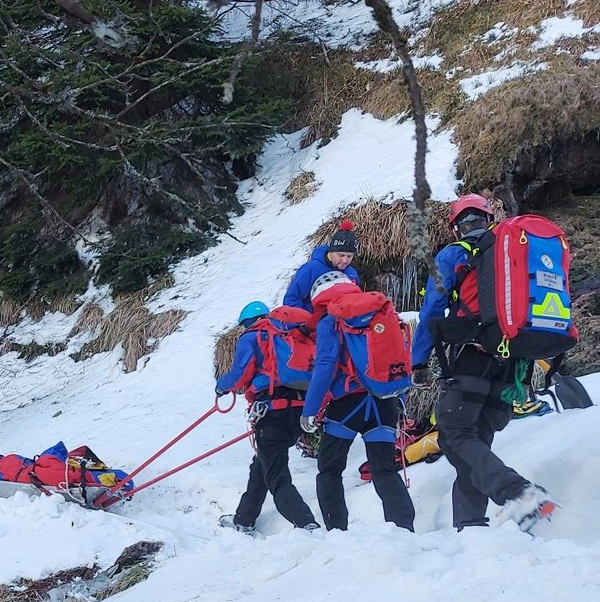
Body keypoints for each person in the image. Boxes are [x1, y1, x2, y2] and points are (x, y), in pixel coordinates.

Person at [410, 194, 557, 530]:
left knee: (454, 434)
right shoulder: (511, 255)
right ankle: (471, 527)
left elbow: (432, 310)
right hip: (512, 363)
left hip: (473, 356)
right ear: (489, 219)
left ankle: (518, 492)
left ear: (456, 227)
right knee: (473, 442)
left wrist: (418, 362)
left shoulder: (454, 254)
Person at [301, 274, 415, 532]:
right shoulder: (384, 314)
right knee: (384, 470)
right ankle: (404, 531)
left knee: (329, 469)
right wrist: (400, 400)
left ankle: (337, 531)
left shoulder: (331, 321)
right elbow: (399, 360)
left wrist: (310, 410)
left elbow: (325, 366)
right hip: (384, 402)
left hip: (347, 405)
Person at [216, 301, 320, 533]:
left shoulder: (253, 336)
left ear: (247, 322)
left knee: (277, 477)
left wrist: (222, 387)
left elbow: (240, 374)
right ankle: (244, 519)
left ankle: (306, 524)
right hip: (300, 411)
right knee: (261, 465)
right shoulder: (293, 334)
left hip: (272, 413)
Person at [283, 220, 361, 311]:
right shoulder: (311, 269)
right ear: (331, 252)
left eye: (349, 256)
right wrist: (304, 318)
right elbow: (292, 299)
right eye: (341, 255)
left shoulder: (352, 273)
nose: (345, 260)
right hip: (313, 317)